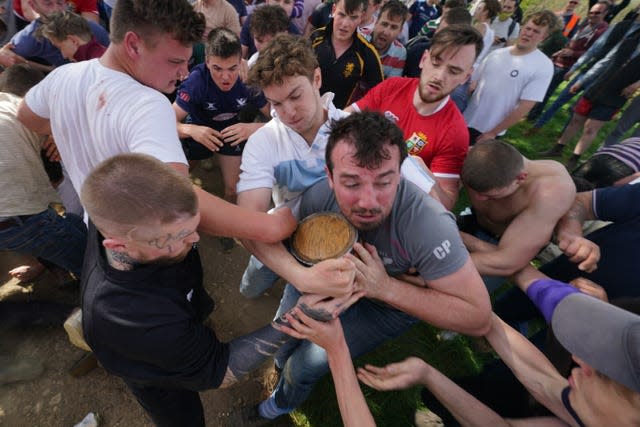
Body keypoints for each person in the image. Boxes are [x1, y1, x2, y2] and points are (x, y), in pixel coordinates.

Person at [80, 153, 353, 427]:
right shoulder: (134, 318)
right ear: (117, 246)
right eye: (177, 238)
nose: (196, 238)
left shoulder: (130, 212)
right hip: (154, 372)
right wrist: (298, 315)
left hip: (178, 318)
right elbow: (220, 370)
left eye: (193, 225)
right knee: (182, 418)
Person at [253, 111, 491, 422]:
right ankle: (279, 366)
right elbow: (261, 232)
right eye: (351, 182)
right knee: (285, 326)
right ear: (330, 175)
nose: (368, 201)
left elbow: (477, 317)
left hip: (385, 306)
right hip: (322, 276)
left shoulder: (428, 225)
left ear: (400, 174)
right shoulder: (319, 194)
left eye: (384, 182)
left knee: (306, 366)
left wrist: (386, 287)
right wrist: (303, 275)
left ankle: (279, 403)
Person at [17, 0, 296, 244]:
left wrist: (72, 128)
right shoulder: (148, 105)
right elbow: (176, 202)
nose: (184, 73)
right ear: (133, 44)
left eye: (187, 62)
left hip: (101, 231)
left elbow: (27, 116)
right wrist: (270, 226)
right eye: (175, 61)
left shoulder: (61, 77)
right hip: (153, 244)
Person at [238, 33, 438, 299]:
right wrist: (299, 275)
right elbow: (249, 222)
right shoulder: (263, 142)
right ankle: (246, 295)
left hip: (338, 240)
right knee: (256, 277)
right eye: (276, 103)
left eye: (295, 96)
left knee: (299, 310)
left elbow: (424, 190)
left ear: (317, 79)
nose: (288, 112)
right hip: (280, 234)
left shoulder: (358, 131)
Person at [355, 267, 640, 427]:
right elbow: (543, 383)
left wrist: (338, 351)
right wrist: (480, 315)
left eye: (604, 371)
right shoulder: (597, 414)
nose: (579, 358)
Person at [349, 25, 484, 210]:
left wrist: (420, 172)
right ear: (424, 59)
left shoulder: (455, 132)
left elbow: (445, 205)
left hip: (392, 208)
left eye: (453, 71)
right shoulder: (392, 87)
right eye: (436, 62)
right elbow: (344, 120)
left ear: (465, 77)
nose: (439, 76)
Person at [0, 64, 86, 280]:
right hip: (17, 222)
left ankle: (51, 264)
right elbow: (55, 180)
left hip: (12, 220)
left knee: (67, 224)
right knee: (90, 261)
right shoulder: (30, 115)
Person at [173, 28, 269, 208]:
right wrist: (191, 130)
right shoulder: (196, 82)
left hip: (231, 129)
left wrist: (252, 128)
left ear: (241, 62)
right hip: (199, 127)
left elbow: (280, 118)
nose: (225, 77)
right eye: (217, 68)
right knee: (178, 182)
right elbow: (166, 122)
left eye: (232, 68)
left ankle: (229, 229)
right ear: (207, 62)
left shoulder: (249, 79)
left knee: (233, 190)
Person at [459, 140, 578, 282]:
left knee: (462, 291)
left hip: (506, 247)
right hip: (472, 222)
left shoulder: (551, 192)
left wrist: (451, 240)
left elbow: (506, 261)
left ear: (520, 178)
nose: (479, 198)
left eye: (490, 196)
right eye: (473, 190)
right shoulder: (474, 156)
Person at [464, 10, 556, 145]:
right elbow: (472, 84)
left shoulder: (543, 66)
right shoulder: (497, 54)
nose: (529, 33)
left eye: (536, 31)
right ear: (522, 27)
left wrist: (493, 132)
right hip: (464, 119)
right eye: (528, 28)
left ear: (544, 36)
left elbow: (525, 106)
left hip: (487, 132)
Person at [527, 1, 609, 123]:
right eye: (591, 12)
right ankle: (530, 112)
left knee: (547, 90)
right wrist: (562, 51)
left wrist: (573, 53)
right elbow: (572, 41)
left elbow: (594, 52)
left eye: (597, 13)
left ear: (605, 13)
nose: (592, 15)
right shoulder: (585, 23)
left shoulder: (603, 30)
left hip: (567, 66)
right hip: (558, 60)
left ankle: (532, 116)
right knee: (541, 86)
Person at [310, 0, 384, 108]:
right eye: (342, 14)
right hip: (305, 113)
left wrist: (352, 114)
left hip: (338, 121)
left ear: (361, 17)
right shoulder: (315, 38)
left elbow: (378, 95)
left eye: (353, 17)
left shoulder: (367, 53)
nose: (345, 24)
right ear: (334, 10)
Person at [0, 0, 108, 70]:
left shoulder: (94, 30)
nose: (56, 9)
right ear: (33, 6)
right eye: (48, 3)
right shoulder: (27, 40)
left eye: (60, 2)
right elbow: (8, 56)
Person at [36, 10, 106, 61]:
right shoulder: (105, 56)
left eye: (60, 48)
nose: (64, 56)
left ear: (73, 41)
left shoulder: (94, 69)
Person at [572, 137, 640, 188]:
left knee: (570, 183)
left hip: (602, 156)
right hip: (625, 168)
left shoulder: (635, 138)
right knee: (588, 197)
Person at [368, 0, 407, 79]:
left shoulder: (399, 53)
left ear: (400, 31)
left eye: (393, 27)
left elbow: (389, 87)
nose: (386, 32)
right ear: (376, 23)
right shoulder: (359, 38)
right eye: (384, 24)